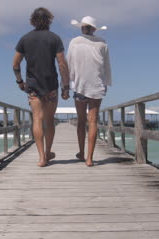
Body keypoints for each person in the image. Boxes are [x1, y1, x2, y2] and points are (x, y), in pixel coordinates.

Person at [13, 7, 70, 167]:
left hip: (32, 86)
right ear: (49, 20)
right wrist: (66, 86)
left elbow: (15, 63)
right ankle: (48, 152)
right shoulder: (55, 38)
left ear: (33, 20)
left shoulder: (25, 39)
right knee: (49, 120)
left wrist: (20, 81)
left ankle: (41, 158)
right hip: (51, 85)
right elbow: (62, 64)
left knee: (37, 119)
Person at [67, 16, 112, 167]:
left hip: (80, 85)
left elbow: (69, 64)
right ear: (94, 29)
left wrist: (67, 84)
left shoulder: (74, 42)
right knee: (93, 121)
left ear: (82, 28)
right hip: (96, 85)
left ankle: (81, 152)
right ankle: (89, 159)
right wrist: (106, 83)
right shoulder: (102, 43)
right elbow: (106, 66)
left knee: (81, 121)